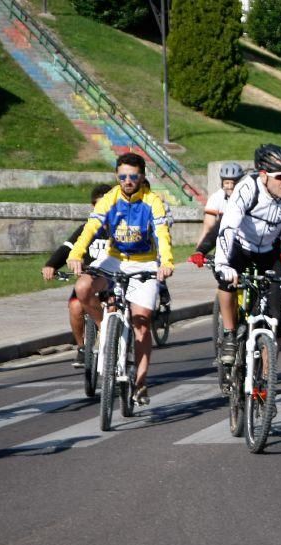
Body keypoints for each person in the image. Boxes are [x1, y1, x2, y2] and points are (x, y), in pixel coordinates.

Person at [67, 153, 174, 406]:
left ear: (142, 176)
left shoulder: (153, 201)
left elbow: (161, 233)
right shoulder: (109, 198)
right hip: (114, 259)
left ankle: (141, 380)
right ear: (117, 176)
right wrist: (76, 253)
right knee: (83, 288)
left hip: (144, 262)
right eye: (123, 176)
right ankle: (105, 325)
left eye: (133, 176)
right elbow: (91, 227)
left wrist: (166, 262)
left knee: (142, 322)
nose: (127, 181)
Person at [214, 144, 281, 363]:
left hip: (268, 252)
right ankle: (229, 333)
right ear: (264, 176)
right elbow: (228, 226)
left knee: (276, 318)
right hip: (240, 246)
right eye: (280, 177)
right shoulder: (247, 189)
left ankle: (266, 377)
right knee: (225, 283)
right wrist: (222, 264)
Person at [42, 183, 113, 366]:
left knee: (114, 307)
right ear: (93, 207)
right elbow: (68, 248)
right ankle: (82, 347)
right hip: (90, 277)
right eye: (99, 206)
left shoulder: (120, 229)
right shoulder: (86, 229)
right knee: (75, 307)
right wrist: (51, 264)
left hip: (112, 279)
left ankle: (113, 340)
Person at [188, 163, 245, 269]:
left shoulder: (247, 195)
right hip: (225, 240)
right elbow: (209, 227)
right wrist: (199, 251)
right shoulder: (216, 198)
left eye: (234, 183)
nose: (230, 186)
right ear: (221, 182)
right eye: (226, 183)